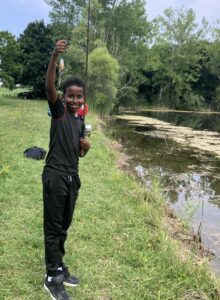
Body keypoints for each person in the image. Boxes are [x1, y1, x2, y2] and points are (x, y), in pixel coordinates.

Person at [42, 39, 90, 300]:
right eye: (70, 95)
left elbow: (79, 152)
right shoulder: (59, 110)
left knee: (64, 226)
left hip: (72, 178)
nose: (73, 100)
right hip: (55, 177)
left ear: (83, 98)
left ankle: (59, 265)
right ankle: (51, 277)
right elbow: (49, 85)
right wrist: (54, 56)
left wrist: (86, 147)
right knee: (53, 228)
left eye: (78, 96)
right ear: (64, 96)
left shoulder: (79, 119)